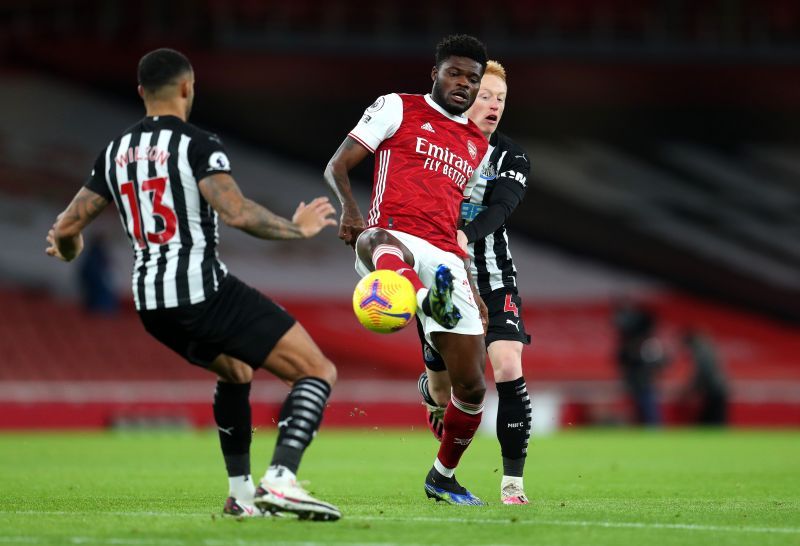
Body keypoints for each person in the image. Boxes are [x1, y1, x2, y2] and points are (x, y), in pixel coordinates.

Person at [45, 48, 342, 521]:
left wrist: (69, 251)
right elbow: (237, 211)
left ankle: (241, 497)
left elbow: (65, 229)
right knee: (316, 371)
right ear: (188, 87)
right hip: (200, 291)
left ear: (142, 92)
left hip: (150, 304)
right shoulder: (198, 143)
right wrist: (298, 228)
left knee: (236, 372)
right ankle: (281, 480)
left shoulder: (115, 151)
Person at [324, 34, 490, 505]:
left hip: (445, 256)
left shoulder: (475, 145)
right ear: (434, 73)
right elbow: (338, 165)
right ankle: (420, 300)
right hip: (390, 236)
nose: (463, 84)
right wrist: (350, 211)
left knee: (474, 387)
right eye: (454, 73)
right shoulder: (397, 106)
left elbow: (455, 219)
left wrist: (472, 286)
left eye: (472, 79)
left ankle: (442, 475)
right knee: (379, 240)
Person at [415, 60, 532, 505]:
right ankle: (430, 389)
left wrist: (467, 234)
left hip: (495, 277)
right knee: (446, 391)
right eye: (486, 96)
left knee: (506, 365)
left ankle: (512, 485)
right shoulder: (435, 145)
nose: (494, 106)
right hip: (441, 278)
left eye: (501, 99)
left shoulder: (512, 156)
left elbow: (502, 206)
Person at [612, 298, 670, 426]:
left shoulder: (646, 345)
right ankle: (648, 429)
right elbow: (621, 360)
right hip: (637, 382)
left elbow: (661, 362)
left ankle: (653, 429)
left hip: (644, 382)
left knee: (647, 406)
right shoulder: (631, 347)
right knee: (641, 408)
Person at [680, 329, 729, 426]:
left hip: (714, 389)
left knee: (714, 419)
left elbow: (703, 373)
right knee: (715, 418)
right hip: (718, 388)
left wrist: (691, 389)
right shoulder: (707, 348)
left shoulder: (701, 351)